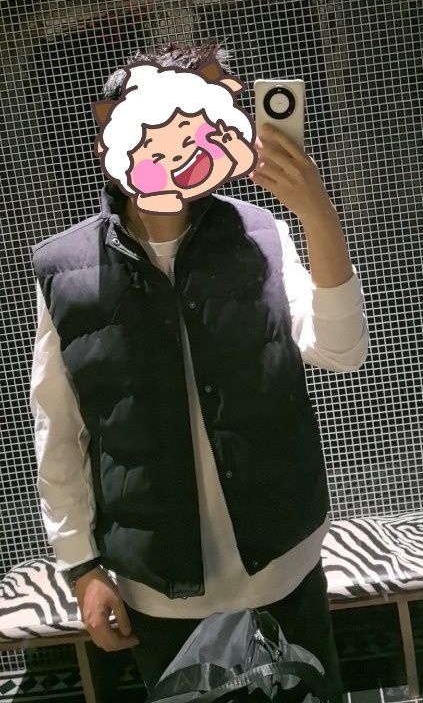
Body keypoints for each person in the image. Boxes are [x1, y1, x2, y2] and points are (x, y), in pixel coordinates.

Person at [29, 39, 369, 699]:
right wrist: (82, 568)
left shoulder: (262, 233)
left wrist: (318, 214)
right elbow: (58, 432)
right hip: (157, 586)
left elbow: (341, 350)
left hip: (283, 565)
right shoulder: (63, 271)